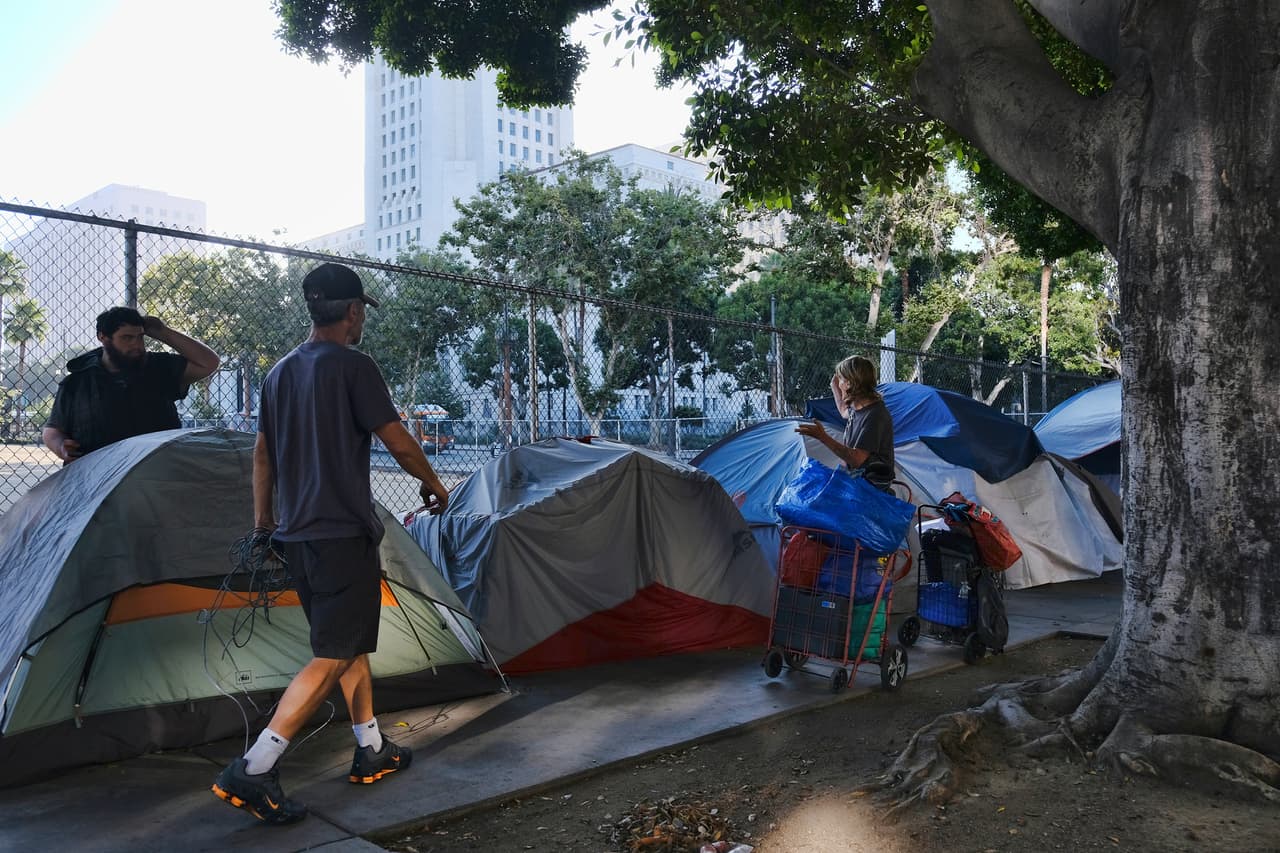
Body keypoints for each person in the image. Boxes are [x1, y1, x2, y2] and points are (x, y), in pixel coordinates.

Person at [211, 262, 450, 826]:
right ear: (353, 311)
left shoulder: (279, 373)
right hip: (340, 531)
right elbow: (399, 440)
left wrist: (265, 523)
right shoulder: (354, 365)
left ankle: (371, 748)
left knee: (344, 642)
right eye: (361, 310)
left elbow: (262, 455)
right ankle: (255, 764)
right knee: (336, 649)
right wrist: (433, 482)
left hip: (296, 535)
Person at [42, 307, 221, 462]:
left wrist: (163, 332)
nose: (137, 345)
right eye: (127, 338)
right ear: (103, 338)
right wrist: (61, 447)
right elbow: (52, 431)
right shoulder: (77, 382)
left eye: (140, 337)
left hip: (157, 474)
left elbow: (208, 363)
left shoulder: (160, 367)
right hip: (95, 478)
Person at [797, 355, 895, 492]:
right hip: (857, 480)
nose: (839, 384)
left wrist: (822, 437)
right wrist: (834, 387)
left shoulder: (875, 415)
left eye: (841, 380)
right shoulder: (858, 408)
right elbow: (844, 411)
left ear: (849, 383)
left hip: (871, 487)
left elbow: (857, 459)